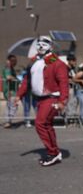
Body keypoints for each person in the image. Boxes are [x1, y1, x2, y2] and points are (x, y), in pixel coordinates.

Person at [13, 36, 69, 166]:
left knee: (40, 123)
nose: (41, 46)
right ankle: (55, 151)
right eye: (39, 43)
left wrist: (62, 101)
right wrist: (18, 96)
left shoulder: (56, 62)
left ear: (51, 47)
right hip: (40, 99)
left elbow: (64, 83)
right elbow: (26, 81)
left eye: (45, 43)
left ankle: (52, 153)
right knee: (47, 125)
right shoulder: (34, 62)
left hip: (52, 98)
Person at [2, 54, 19, 128]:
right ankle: (8, 121)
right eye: (13, 61)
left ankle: (8, 121)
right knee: (13, 106)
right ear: (9, 61)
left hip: (11, 90)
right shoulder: (8, 68)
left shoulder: (10, 68)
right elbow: (8, 77)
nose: (14, 62)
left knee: (9, 106)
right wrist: (17, 80)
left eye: (15, 61)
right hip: (10, 91)